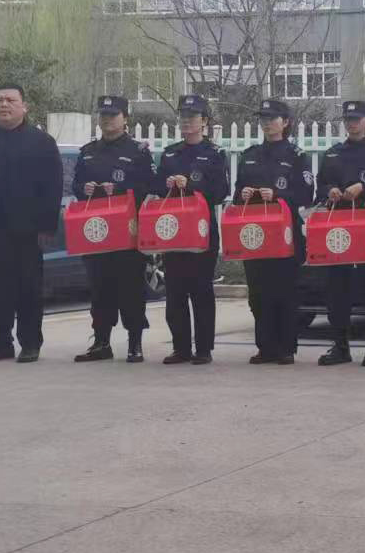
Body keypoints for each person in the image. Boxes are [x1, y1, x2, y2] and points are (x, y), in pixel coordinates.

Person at [0, 83, 61, 364]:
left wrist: (48, 226)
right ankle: (2, 342)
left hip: (28, 230)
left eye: (10, 100)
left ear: (24, 106)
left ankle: (30, 342)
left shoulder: (41, 142)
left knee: (28, 288)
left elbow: (53, 187)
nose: (4, 105)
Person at [70, 94, 155, 363]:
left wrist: (119, 189)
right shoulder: (88, 152)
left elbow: (149, 185)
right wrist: (83, 189)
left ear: (125, 118)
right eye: (103, 115)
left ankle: (134, 343)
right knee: (99, 288)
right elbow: (75, 184)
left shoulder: (137, 151)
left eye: (113, 115)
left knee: (130, 288)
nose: (107, 120)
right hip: (96, 230)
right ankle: (101, 342)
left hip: (126, 231)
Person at [315, 99, 365, 367]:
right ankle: (340, 346)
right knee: (336, 289)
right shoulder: (333, 154)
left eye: (357, 119)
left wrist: (364, 188)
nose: (352, 124)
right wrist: (329, 191)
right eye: (348, 120)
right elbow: (319, 186)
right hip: (337, 227)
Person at [234, 98, 314, 365]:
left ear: (285, 122)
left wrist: (278, 195)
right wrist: (243, 194)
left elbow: (306, 194)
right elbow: (236, 195)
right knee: (258, 294)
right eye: (263, 119)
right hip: (254, 233)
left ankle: (286, 347)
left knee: (285, 293)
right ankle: (265, 346)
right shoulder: (250, 155)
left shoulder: (296, 156)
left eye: (272, 118)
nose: (267, 123)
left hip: (285, 234)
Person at [151, 94, 228, 365]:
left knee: (201, 290)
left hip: (202, 231)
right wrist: (167, 184)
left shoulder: (215, 154)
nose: (186, 121)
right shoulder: (170, 153)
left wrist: (192, 185)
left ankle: (204, 348)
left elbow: (220, 192)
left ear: (204, 121)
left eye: (192, 117)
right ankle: (180, 347)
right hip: (173, 230)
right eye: (183, 116)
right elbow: (156, 186)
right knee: (175, 292)